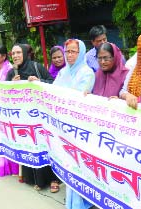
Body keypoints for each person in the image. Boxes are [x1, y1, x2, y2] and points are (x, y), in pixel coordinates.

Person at [6, 43, 55, 191]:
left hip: (38, 116)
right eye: (13, 53)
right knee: (28, 144)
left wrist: (39, 82)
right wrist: (11, 85)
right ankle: (33, 178)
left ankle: (51, 179)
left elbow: (52, 83)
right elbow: (4, 94)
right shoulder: (11, 73)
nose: (15, 56)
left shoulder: (36, 67)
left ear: (25, 53)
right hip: (22, 118)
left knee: (42, 145)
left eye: (18, 53)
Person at [54, 39, 95, 209]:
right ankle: (72, 201)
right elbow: (54, 92)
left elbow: (77, 98)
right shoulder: (63, 72)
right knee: (68, 161)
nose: (69, 55)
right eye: (67, 51)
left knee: (79, 164)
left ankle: (81, 202)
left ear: (81, 53)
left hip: (80, 126)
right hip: (64, 125)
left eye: (73, 51)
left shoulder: (87, 73)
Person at [0, 44, 19, 177]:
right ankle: (4, 163)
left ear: (3, 56)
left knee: (10, 137)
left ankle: (13, 166)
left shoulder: (9, 69)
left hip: (9, 109)